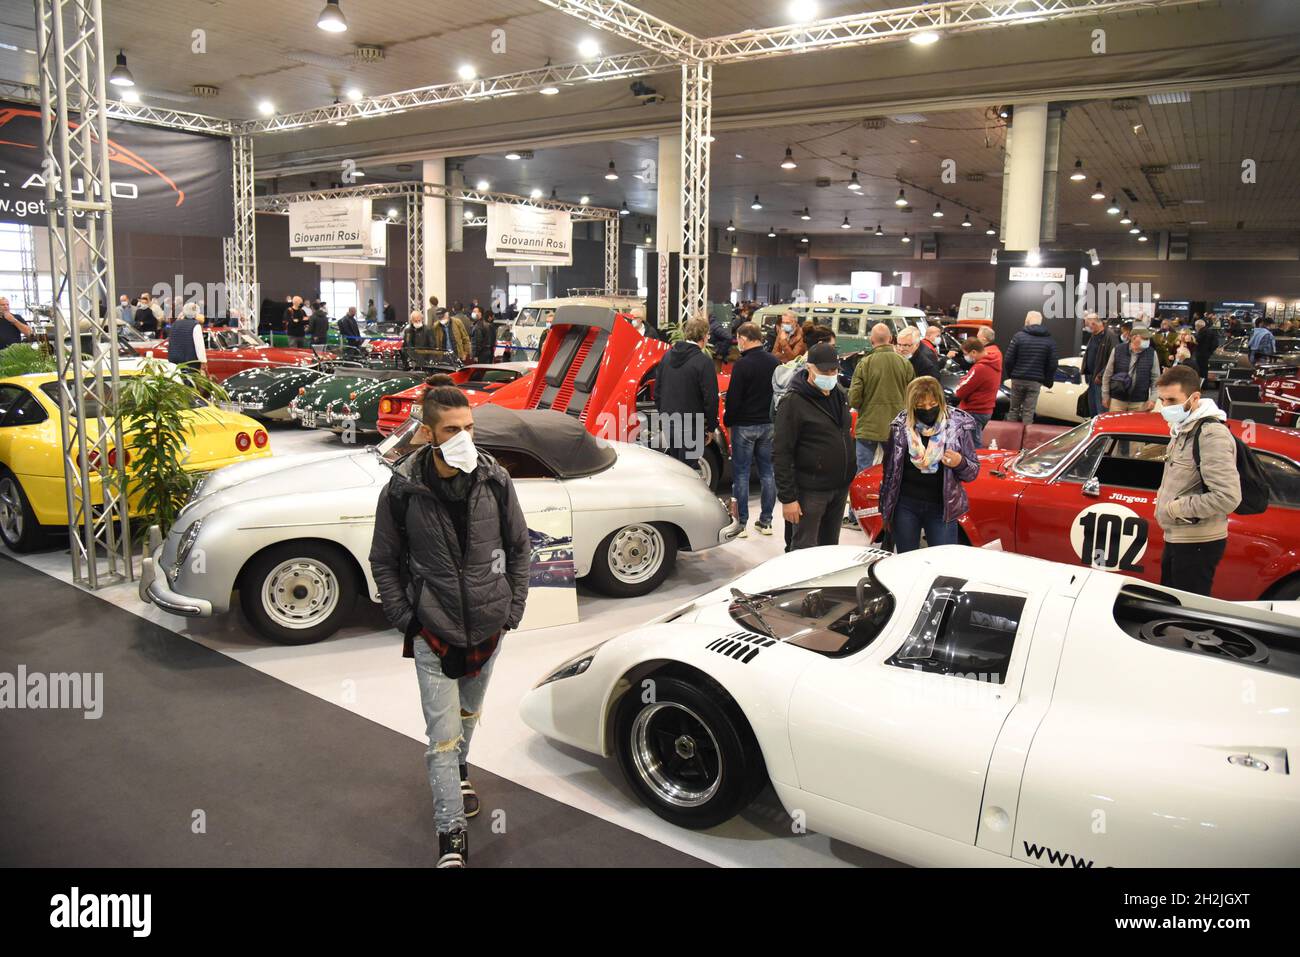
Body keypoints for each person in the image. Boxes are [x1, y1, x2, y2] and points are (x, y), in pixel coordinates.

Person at [368, 386, 530, 868]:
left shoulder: (495, 481)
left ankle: (462, 770)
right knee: (439, 736)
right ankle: (451, 836)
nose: (464, 438)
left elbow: (520, 548)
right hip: (431, 630)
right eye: (452, 430)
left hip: (488, 625)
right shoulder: (402, 490)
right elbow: (384, 560)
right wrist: (407, 618)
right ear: (429, 433)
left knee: (466, 716)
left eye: (469, 429)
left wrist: (511, 611)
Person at [1153, 364, 1241, 596]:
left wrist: (1176, 507)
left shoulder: (1211, 434)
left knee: (1185, 616)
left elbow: (1227, 496)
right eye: (1162, 400)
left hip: (1197, 543)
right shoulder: (1182, 427)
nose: (1165, 407)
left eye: (1172, 400)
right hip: (1178, 536)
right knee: (1169, 608)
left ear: (1194, 398)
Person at [878, 376, 980, 553]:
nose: (927, 409)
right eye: (920, 406)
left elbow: (972, 473)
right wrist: (885, 509)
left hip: (942, 507)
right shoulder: (900, 427)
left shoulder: (958, 426)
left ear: (941, 401)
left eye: (932, 404)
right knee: (906, 558)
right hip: (905, 505)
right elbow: (889, 472)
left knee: (941, 561)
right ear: (911, 405)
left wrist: (960, 462)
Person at [773, 342, 855, 551]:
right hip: (810, 491)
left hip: (838, 487)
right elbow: (782, 453)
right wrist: (788, 498)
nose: (830, 375)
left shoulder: (839, 395)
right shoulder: (793, 402)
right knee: (804, 550)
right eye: (824, 370)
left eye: (834, 370)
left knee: (829, 549)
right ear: (809, 367)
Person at [723, 322, 780, 538]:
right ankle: (766, 522)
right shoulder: (774, 362)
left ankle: (741, 523)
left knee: (741, 474)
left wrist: (729, 420)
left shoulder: (742, 365)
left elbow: (734, 399)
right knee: (767, 472)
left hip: (744, 426)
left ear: (745, 339)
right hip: (768, 425)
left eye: (738, 339)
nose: (738, 344)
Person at [653, 317, 718, 472]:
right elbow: (711, 398)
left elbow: (657, 391)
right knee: (689, 472)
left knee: (677, 469)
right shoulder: (704, 362)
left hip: (670, 420)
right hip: (692, 424)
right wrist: (711, 427)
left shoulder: (667, 357)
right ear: (704, 336)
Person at [847, 322, 913, 472]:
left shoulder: (864, 363)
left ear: (871, 340)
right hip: (896, 426)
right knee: (894, 468)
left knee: (863, 470)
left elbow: (854, 398)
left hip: (868, 426)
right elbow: (912, 395)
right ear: (890, 339)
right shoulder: (904, 363)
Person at [1003, 310, 1058, 424]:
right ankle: (1025, 439)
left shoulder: (1018, 336)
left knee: (1013, 410)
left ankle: (1010, 437)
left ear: (1027, 321)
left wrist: (1011, 374)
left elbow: (1008, 359)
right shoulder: (1049, 340)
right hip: (1035, 381)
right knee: (1029, 412)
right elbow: (1053, 364)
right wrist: (1046, 380)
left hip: (1018, 379)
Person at [1103, 326, 1162, 412]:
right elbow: (1107, 374)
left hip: (1140, 402)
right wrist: (1105, 395)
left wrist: (1153, 399)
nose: (1147, 341)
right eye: (1144, 338)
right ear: (1133, 338)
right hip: (1117, 400)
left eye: (1148, 339)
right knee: (1116, 424)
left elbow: (1156, 378)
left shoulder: (1152, 353)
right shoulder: (1118, 350)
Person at [953, 338, 999, 446]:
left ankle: (975, 463)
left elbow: (960, 391)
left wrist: (963, 379)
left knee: (972, 446)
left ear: (973, 352)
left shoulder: (979, 368)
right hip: (985, 409)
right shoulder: (995, 358)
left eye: (965, 354)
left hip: (974, 411)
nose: (965, 357)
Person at [1082, 313, 1117, 417]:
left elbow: (1114, 359)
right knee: (1093, 411)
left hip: (1101, 381)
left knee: (1101, 412)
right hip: (1092, 379)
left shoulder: (1110, 336)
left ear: (1093, 323)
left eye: (1087, 325)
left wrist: (1101, 375)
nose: (1086, 327)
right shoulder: (1094, 336)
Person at [166, 301, 208, 380]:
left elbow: (171, 343)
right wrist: (203, 361)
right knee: (190, 385)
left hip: (174, 360)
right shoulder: (195, 325)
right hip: (190, 362)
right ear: (196, 313)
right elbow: (199, 345)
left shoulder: (175, 324)